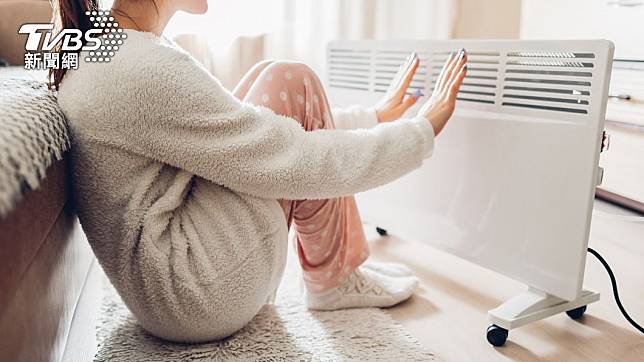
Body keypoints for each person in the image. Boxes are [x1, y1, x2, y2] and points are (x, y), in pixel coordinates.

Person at [53, 0, 468, 343]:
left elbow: (237, 131)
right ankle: (335, 278)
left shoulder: (111, 51)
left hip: (165, 292)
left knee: (274, 82)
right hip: (200, 293)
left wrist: (371, 116)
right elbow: (288, 156)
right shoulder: (142, 68)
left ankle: (337, 270)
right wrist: (419, 133)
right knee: (291, 80)